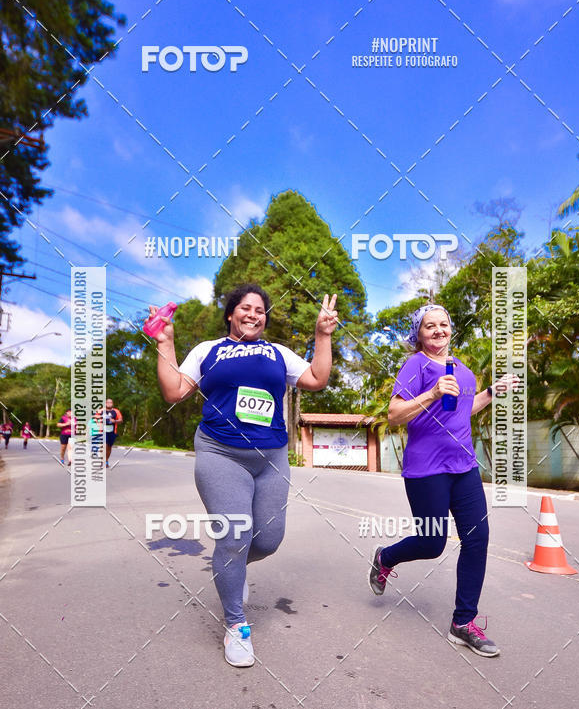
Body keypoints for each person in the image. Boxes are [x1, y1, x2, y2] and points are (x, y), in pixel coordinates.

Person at [147, 283, 338, 668]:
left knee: (268, 540)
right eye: (245, 308)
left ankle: (232, 570)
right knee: (234, 537)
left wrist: (322, 335)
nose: (254, 314)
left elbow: (317, 379)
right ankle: (236, 624)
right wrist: (165, 342)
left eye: (260, 310)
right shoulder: (208, 350)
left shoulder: (278, 353)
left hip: (271, 456)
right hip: (220, 453)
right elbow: (173, 391)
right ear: (231, 314)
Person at [368, 303, 519, 658]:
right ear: (418, 334)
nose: (438, 330)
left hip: (463, 466)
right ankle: (385, 556)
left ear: (452, 329)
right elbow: (394, 415)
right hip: (426, 469)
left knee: (478, 539)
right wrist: (432, 393)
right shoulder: (415, 365)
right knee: (432, 543)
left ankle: (463, 623)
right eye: (429, 326)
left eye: (444, 324)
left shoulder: (463, 371)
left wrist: (492, 393)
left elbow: (464, 410)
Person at [102, 398, 123, 467]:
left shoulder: (116, 411)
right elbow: (95, 417)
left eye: (110, 402)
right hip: (103, 431)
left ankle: (106, 460)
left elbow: (121, 420)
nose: (109, 404)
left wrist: (115, 421)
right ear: (105, 403)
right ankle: (103, 461)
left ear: (112, 404)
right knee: (104, 445)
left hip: (112, 431)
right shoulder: (101, 410)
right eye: (107, 402)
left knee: (109, 447)